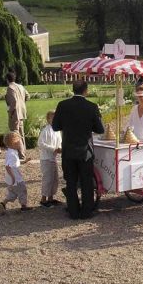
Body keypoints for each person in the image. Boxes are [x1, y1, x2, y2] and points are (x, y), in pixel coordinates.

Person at [52, 80, 104, 219]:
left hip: (68, 149)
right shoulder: (91, 106)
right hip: (84, 151)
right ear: (86, 91)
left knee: (71, 182)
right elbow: (100, 129)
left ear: (73, 90)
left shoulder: (62, 105)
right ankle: (86, 211)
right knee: (86, 182)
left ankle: (73, 211)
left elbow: (55, 126)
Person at [0, 131, 32, 214]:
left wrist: (24, 161)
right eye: (19, 142)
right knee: (23, 190)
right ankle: (23, 206)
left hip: (11, 181)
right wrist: (13, 177)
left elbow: (14, 164)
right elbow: (8, 166)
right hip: (16, 179)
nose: (20, 144)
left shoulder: (11, 152)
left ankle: (3, 203)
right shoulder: (12, 154)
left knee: (13, 193)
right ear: (13, 143)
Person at [38, 111, 62, 208]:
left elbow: (59, 141)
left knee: (54, 179)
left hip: (53, 158)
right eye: (52, 118)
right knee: (47, 179)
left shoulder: (57, 131)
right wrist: (53, 149)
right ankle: (43, 199)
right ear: (48, 119)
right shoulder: (45, 131)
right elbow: (41, 143)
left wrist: (60, 148)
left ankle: (51, 198)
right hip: (46, 158)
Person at [5, 71, 30, 160]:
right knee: (21, 134)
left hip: (15, 113)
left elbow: (14, 101)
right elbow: (28, 96)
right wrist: (22, 104)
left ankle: (21, 155)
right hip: (21, 112)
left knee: (15, 134)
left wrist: (11, 111)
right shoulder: (21, 86)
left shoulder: (10, 88)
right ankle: (23, 153)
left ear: (7, 79)